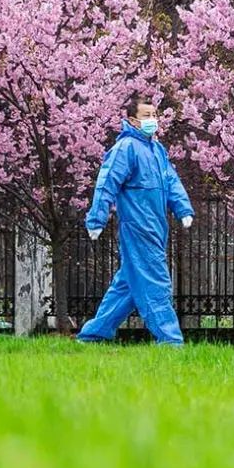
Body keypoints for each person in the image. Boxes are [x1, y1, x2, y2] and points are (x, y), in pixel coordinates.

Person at [76, 95, 194, 345]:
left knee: (127, 284)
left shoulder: (157, 150)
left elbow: (172, 182)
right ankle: (171, 340)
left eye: (154, 115)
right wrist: (96, 219)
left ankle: (93, 334)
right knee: (155, 280)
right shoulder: (126, 148)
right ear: (132, 120)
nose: (153, 120)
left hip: (155, 226)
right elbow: (107, 183)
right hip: (138, 226)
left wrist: (183, 209)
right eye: (146, 116)